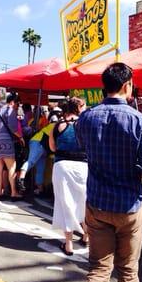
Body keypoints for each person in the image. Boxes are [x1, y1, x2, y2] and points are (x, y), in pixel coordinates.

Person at [76, 63, 142, 282]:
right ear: (127, 86)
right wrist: (127, 166)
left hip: (98, 203)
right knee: (128, 270)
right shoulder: (139, 120)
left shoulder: (86, 118)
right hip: (129, 206)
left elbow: (84, 148)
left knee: (98, 271)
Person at [49, 97, 88, 256]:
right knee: (85, 202)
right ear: (79, 107)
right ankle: (86, 236)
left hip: (62, 166)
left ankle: (69, 244)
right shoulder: (85, 125)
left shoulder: (57, 125)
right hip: (83, 167)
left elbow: (52, 147)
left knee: (65, 203)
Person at [17, 109, 62, 195]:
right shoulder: (56, 126)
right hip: (38, 143)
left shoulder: (51, 125)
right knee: (32, 161)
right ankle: (21, 179)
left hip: (41, 145)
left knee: (40, 168)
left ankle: (40, 189)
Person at [0, 93, 24, 201]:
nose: (18, 106)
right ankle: (14, 193)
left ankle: (0, 192)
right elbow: (13, 127)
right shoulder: (10, 110)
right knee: (11, 167)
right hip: (6, 140)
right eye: (18, 103)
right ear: (13, 102)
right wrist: (21, 137)